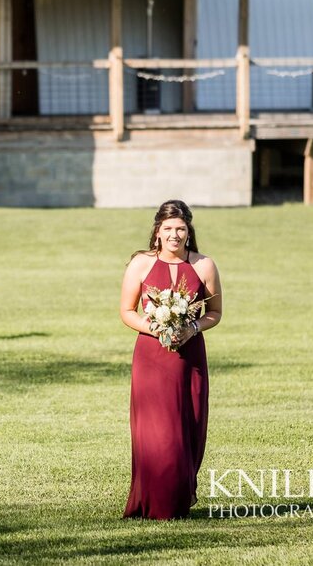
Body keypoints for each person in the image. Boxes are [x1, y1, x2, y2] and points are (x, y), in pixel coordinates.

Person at [119, 199, 223, 520]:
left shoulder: (204, 265)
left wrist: (192, 327)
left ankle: (178, 498)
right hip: (151, 358)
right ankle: (154, 502)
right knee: (156, 431)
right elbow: (126, 311)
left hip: (189, 358)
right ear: (157, 232)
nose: (174, 235)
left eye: (181, 229)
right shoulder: (141, 264)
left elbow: (215, 313)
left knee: (185, 426)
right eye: (168, 229)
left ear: (189, 232)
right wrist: (155, 327)